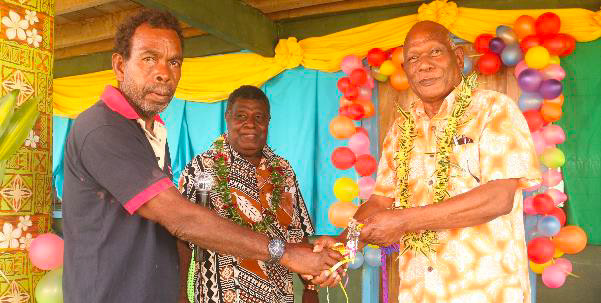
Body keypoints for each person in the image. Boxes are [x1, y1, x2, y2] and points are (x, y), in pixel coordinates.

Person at [62, 9, 340, 303]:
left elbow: (294, 232)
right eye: (149, 58)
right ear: (120, 65)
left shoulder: (153, 131)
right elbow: (179, 220)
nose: (163, 72)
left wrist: (308, 271)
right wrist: (285, 253)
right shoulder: (104, 129)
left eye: (174, 62)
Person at [337, 21, 541, 302]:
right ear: (407, 70)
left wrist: (404, 221)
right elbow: (381, 201)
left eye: (434, 52)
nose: (423, 65)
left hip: (485, 290)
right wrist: (342, 245)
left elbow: (498, 198)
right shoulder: (401, 129)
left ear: (457, 58)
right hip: (419, 292)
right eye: (413, 58)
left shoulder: (494, 110)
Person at [179, 85, 322, 303]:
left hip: (278, 296)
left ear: (268, 121)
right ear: (227, 117)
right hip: (220, 297)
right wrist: (181, 297)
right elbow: (182, 236)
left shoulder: (284, 171)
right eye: (241, 116)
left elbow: (297, 234)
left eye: (259, 117)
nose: (250, 125)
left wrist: (311, 289)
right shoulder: (201, 169)